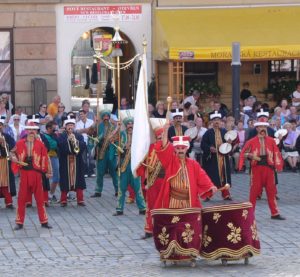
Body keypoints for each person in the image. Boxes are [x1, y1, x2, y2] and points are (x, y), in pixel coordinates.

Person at [151, 125, 217, 262]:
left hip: (189, 202)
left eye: (183, 147)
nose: (180, 150)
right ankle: (173, 252)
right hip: (172, 202)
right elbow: (164, 148)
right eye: (178, 148)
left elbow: (202, 176)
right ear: (175, 149)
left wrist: (210, 186)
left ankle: (188, 251)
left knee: (189, 228)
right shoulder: (170, 161)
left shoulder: (193, 164)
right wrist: (165, 128)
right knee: (174, 227)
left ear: (187, 148)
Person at [238, 114, 285, 220]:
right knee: (254, 192)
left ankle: (275, 213)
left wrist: (278, 165)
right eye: (261, 127)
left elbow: (276, 153)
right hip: (256, 168)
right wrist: (250, 155)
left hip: (269, 168)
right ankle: (250, 214)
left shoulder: (271, 140)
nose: (263, 129)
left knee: (271, 191)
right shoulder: (251, 141)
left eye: (264, 127)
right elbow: (243, 153)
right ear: (257, 128)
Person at [10, 122, 52, 230]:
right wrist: (14, 158)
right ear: (26, 131)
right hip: (24, 174)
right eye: (29, 130)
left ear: (36, 131)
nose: (31, 132)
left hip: (37, 174)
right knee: (21, 199)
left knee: (40, 198)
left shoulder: (40, 144)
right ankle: (19, 222)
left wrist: (48, 171)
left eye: (33, 130)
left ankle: (44, 221)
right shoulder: (19, 143)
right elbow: (11, 152)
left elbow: (46, 158)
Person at [136, 118, 166, 239]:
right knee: (151, 205)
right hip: (153, 181)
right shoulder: (150, 147)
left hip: (165, 181)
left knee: (164, 206)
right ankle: (149, 230)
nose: (160, 140)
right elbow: (143, 162)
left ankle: (164, 230)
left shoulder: (170, 148)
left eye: (162, 137)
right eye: (159, 138)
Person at [114, 110, 146, 216]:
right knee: (122, 188)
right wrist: (117, 128)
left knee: (137, 188)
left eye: (132, 123)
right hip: (123, 165)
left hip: (134, 166)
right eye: (128, 123)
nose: (130, 125)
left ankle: (142, 208)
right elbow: (110, 139)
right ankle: (119, 209)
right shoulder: (121, 134)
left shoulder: (138, 135)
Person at [201, 111, 232, 200]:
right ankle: (208, 194)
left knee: (224, 176)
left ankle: (226, 194)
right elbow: (203, 144)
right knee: (212, 176)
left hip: (223, 158)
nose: (217, 122)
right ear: (212, 122)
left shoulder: (225, 132)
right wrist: (210, 148)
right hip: (212, 159)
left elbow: (228, 145)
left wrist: (229, 143)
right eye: (215, 120)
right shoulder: (208, 133)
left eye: (218, 120)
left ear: (221, 121)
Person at [58, 115, 87, 207]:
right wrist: (68, 141)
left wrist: (74, 141)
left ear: (74, 126)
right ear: (65, 126)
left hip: (77, 161)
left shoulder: (79, 135)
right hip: (65, 161)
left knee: (79, 180)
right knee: (64, 180)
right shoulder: (62, 136)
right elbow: (61, 146)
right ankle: (63, 200)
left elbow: (82, 146)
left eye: (72, 125)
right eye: (68, 125)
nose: (70, 127)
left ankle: (80, 200)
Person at [91, 105, 118, 198]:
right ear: (102, 117)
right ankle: (98, 190)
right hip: (101, 151)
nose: (106, 118)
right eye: (104, 116)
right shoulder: (99, 126)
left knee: (114, 172)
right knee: (100, 172)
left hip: (110, 151)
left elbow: (117, 138)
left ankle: (117, 190)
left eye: (107, 116)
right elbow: (92, 135)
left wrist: (113, 139)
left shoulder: (114, 127)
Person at [0, 116, 16, 208]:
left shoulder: (7, 136)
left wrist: (4, 144)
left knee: (6, 182)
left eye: (0, 125)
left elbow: (14, 148)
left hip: (5, 161)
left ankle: (9, 201)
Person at [44, 121, 60, 203]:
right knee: (56, 177)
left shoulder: (53, 135)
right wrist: (58, 138)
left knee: (58, 177)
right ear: (48, 128)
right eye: (53, 128)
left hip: (55, 156)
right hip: (51, 157)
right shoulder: (45, 136)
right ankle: (50, 195)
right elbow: (53, 145)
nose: (55, 130)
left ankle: (65, 194)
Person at [75, 109, 94, 177]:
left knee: (91, 157)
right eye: (80, 115)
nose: (81, 115)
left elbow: (92, 131)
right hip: (82, 142)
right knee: (84, 158)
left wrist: (83, 130)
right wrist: (87, 130)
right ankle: (85, 172)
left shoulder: (91, 121)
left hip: (90, 141)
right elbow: (77, 132)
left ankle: (91, 171)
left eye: (82, 114)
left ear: (86, 114)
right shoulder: (78, 123)